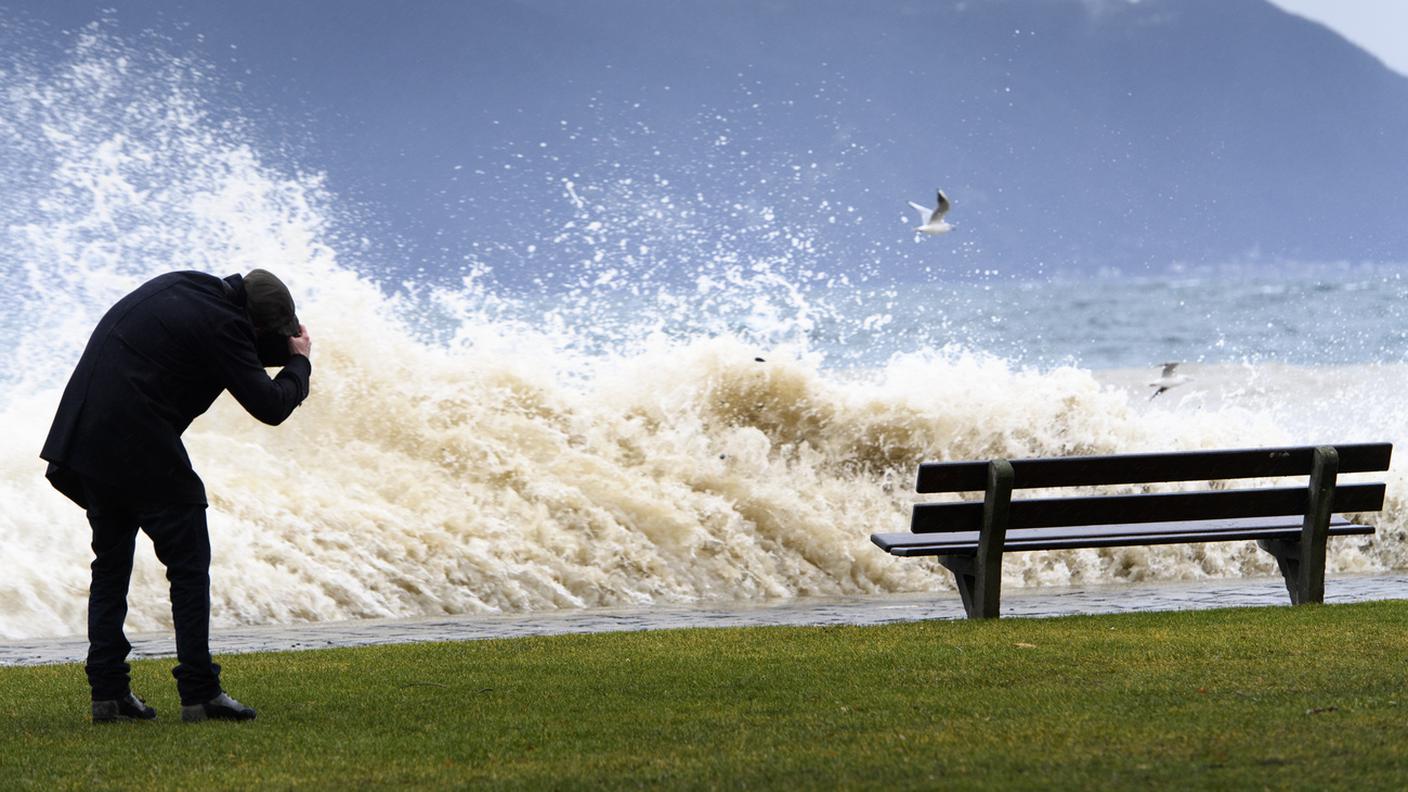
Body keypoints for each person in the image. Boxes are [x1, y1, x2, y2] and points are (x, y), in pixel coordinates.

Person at [40, 269, 312, 723]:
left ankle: (107, 694)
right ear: (253, 320)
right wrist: (300, 362)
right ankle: (200, 694)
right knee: (188, 566)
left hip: (87, 437)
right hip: (137, 439)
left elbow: (238, 354)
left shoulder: (186, 288)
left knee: (110, 565)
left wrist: (279, 347)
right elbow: (269, 405)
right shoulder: (223, 323)